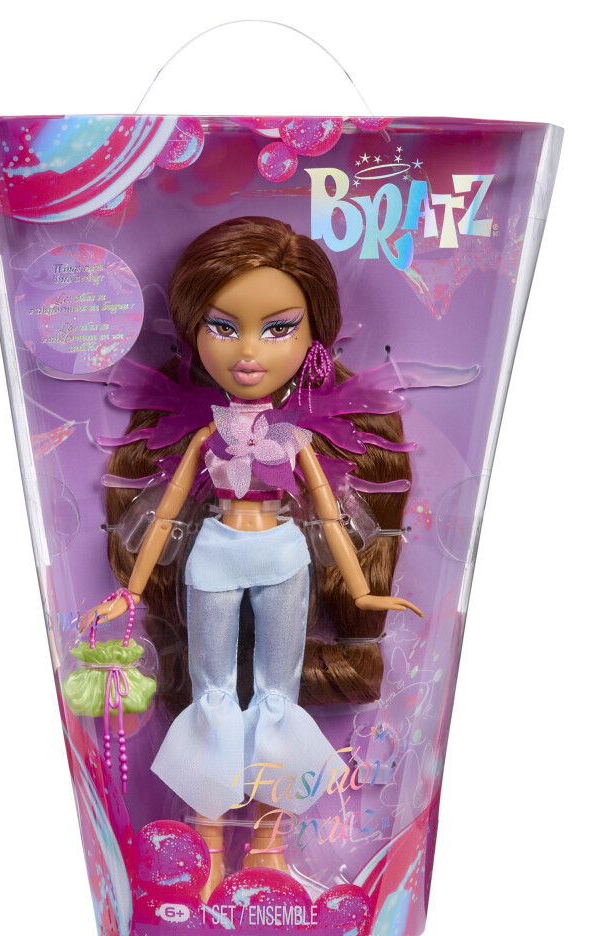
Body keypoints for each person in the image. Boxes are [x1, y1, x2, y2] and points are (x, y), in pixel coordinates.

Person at [90, 217, 420, 900]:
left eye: (278, 329)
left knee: (278, 692)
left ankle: (268, 842)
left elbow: (327, 514)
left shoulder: (295, 439)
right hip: (214, 553)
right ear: (193, 331)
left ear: (313, 337)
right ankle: (207, 839)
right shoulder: (205, 435)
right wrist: (133, 588)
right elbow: (169, 510)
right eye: (222, 326)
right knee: (210, 690)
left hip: (283, 555)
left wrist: (362, 590)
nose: (247, 352)